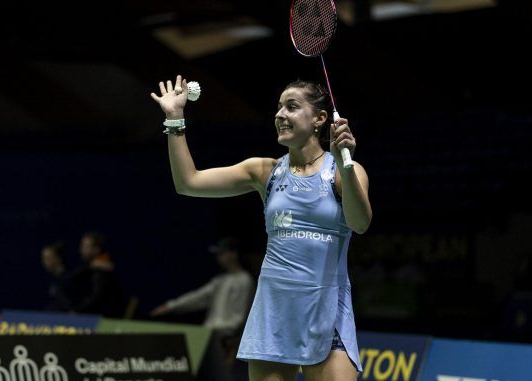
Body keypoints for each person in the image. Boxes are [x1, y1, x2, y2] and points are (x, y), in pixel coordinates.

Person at [151, 75, 372, 381]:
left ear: (320, 119)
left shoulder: (344, 171)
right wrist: (175, 119)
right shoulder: (264, 171)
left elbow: (360, 224)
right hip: (274, 316)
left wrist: (345, 164)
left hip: (326, 315)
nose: (280, 114)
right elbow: (188, 183)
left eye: (292, 107)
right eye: (279, 107)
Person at [150, 237, 254, 335]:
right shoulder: (220, 280)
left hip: (225, 338)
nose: (219, 257)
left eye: (222, 253)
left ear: (233, 254)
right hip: (209, 333)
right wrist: (170, 306)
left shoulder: (245, 280)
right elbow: (197, 297)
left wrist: (228, 334)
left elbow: (240, 316)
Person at [68, 231, 125, 317]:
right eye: (82, 246)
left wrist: (77, 311)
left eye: (86, 247)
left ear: (96, 249)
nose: (81, 250)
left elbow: (97, 298)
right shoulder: (90, 268)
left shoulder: (104, 270)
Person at [41, 241, 72, 312]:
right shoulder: (54, 280)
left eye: (48, 258)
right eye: (43, 258)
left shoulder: (68, 279)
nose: (44, 262)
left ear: (58, 258)